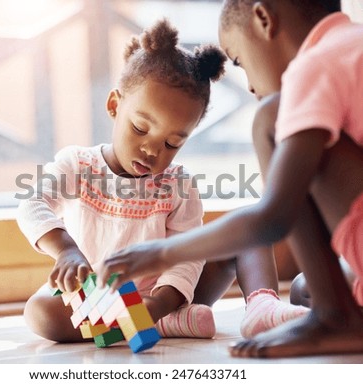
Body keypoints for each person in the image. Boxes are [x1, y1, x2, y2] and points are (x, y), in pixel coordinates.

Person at [99, 0, 363, 358]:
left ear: (264, 19)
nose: (251, 86)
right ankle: (334, 311)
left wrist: (161, 253)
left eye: (239, 61)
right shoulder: (352, 44)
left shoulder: (313, 66)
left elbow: (273, 219)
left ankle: (334, 318)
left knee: (271, 117)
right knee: (304, 290)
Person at [17, 19, 305, 344]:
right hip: (100, 297)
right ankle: (162, 324)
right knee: (40, 313)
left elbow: (189, 254)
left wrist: (162, 301)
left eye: (172, 144)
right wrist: (66, 251)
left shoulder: (178, 186)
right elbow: (31, 203)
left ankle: (261, 309)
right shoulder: (77, 164)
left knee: (249, 231)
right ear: (115, 105)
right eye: (140, 128)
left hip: (170, 295)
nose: (152, 150)